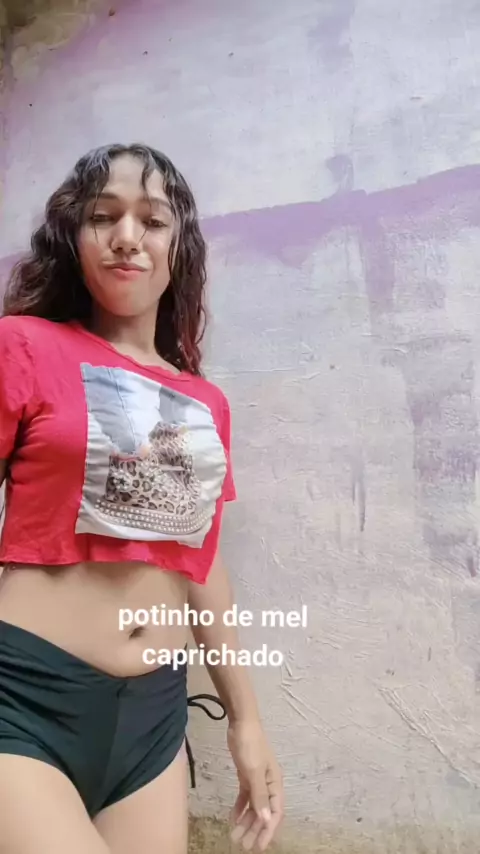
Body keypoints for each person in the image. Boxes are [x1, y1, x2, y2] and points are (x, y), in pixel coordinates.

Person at [0, 143, 284, 853]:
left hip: (153, 719)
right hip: (25, 696)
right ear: (74, 237)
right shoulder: (22, 346)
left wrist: (246, 721)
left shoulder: (204, 402)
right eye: (104, 216)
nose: (128, 236)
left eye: (152, 220)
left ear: (177, 246)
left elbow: (201, 562)